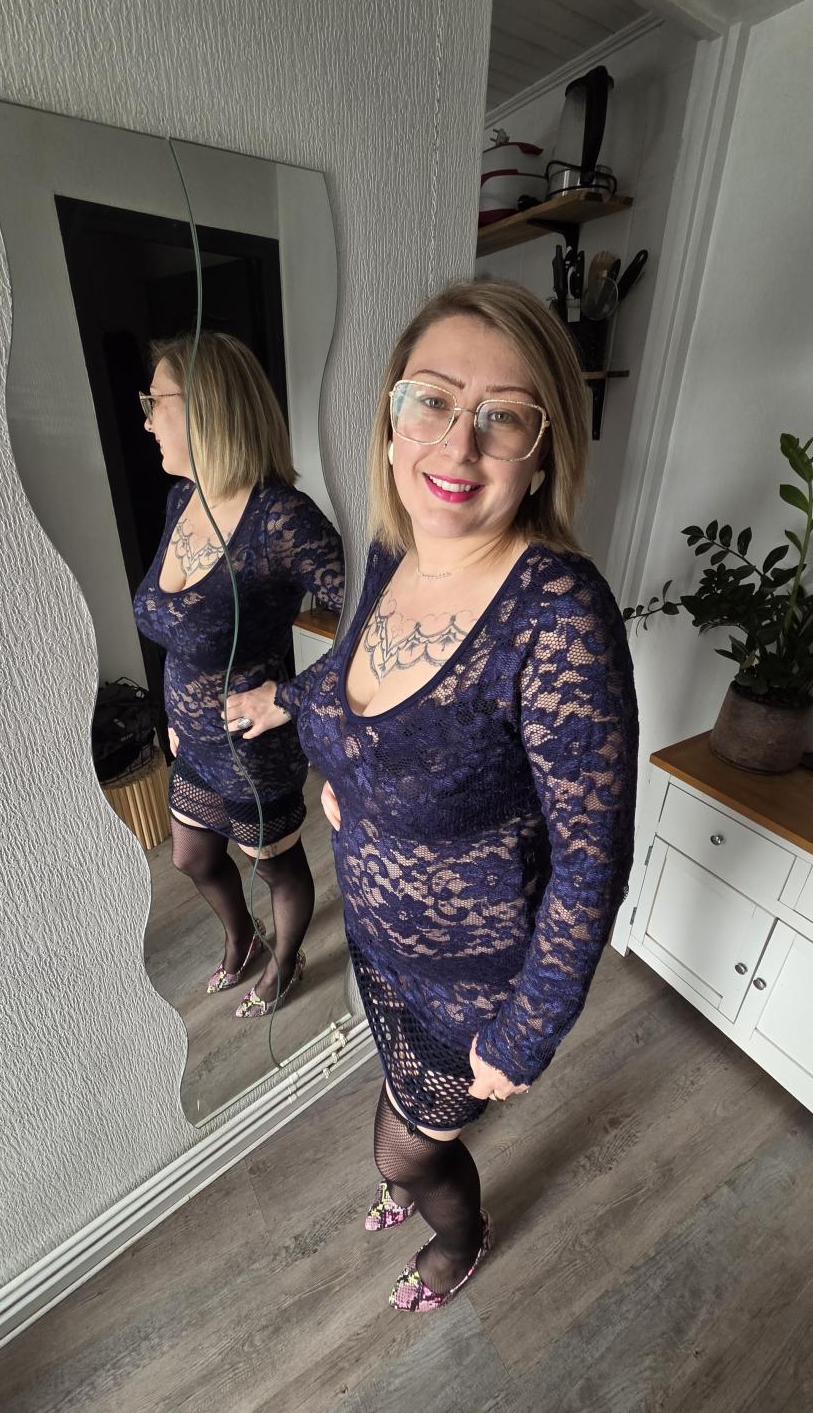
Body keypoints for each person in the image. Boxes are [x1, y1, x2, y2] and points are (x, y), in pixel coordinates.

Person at [226, 278, 638, 1309]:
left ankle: (459, 1236)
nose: (458, 446)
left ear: (544, 448)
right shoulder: (393, 547)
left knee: (407, 1150)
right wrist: (298, 712)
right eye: (434, 401)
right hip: (378, 936)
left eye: (504, 416)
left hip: (474, 980)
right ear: (392, 414)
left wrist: (529, 1030)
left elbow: (591, 861)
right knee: (404, 1109)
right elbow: (359, 681)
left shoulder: (559, 616)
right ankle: (418, 1168)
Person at [134, 331, 344, 1017]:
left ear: (205, 407)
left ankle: (286, 962)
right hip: (191, 742)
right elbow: (181, 627)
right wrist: (173, 712)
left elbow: (380, 620)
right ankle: (243, 938)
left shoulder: (280, 519)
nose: (146, 421)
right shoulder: (182, 499)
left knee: (276, 868)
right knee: (191, 858)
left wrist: (291, 697)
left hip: (252, 752)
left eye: (154, 402)